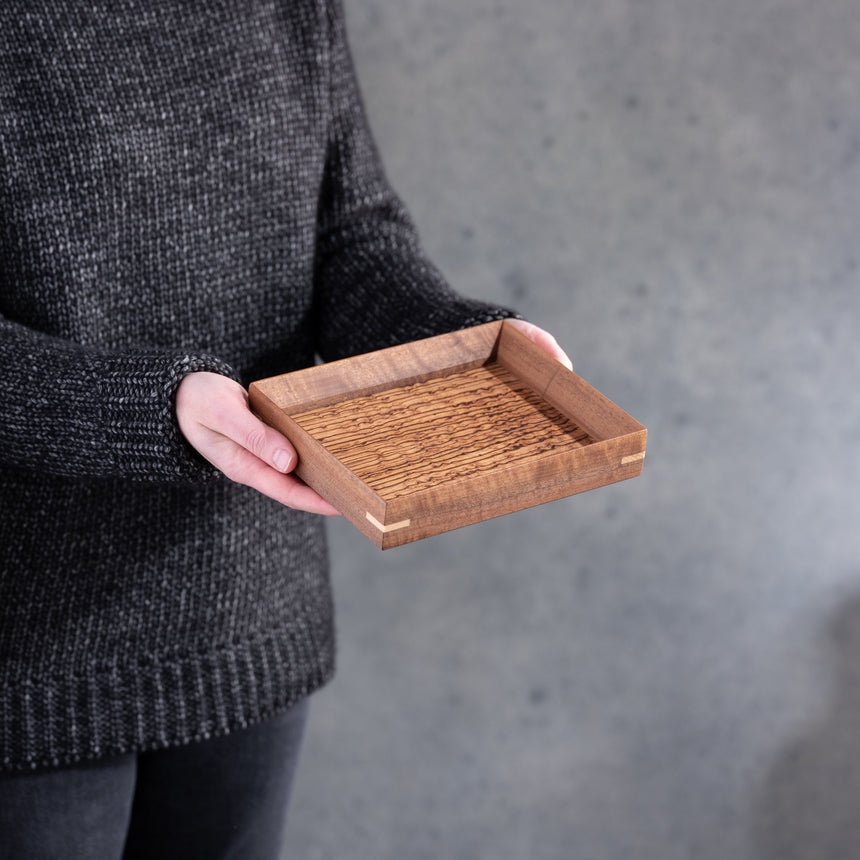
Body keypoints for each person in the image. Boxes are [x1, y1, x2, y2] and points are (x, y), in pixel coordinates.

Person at [0, 1, 570, 857]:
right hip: (31, 651)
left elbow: (352, 233)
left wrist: (456, 348)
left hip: (249, 614)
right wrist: (148, 409)